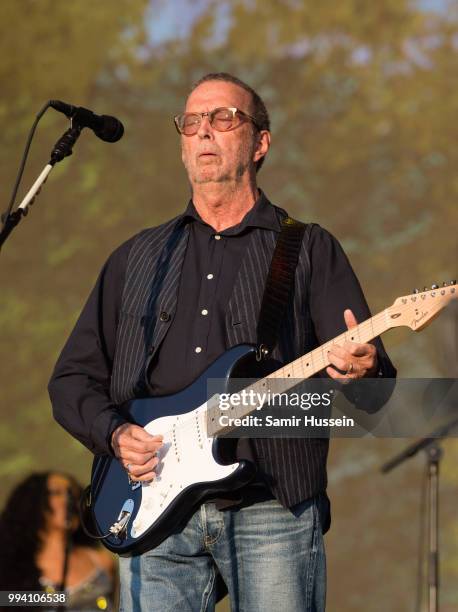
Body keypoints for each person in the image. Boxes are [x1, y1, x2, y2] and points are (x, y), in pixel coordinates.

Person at [48, 72, 396, 611]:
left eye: (222, 118)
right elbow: (72, 379)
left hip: (270, 507)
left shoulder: (307, 248)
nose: (204, 131)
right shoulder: (136, 257)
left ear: (260, 143)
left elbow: (373, 396)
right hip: (149, 508)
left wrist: (364, 369)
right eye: (191, 122)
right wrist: (115, 435)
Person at [0, 471, 117, 611]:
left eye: (73, 493)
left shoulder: (102, 562)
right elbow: (7, 599)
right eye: (56, 493)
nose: (69, 500)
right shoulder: (12, 566)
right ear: (32, 503)